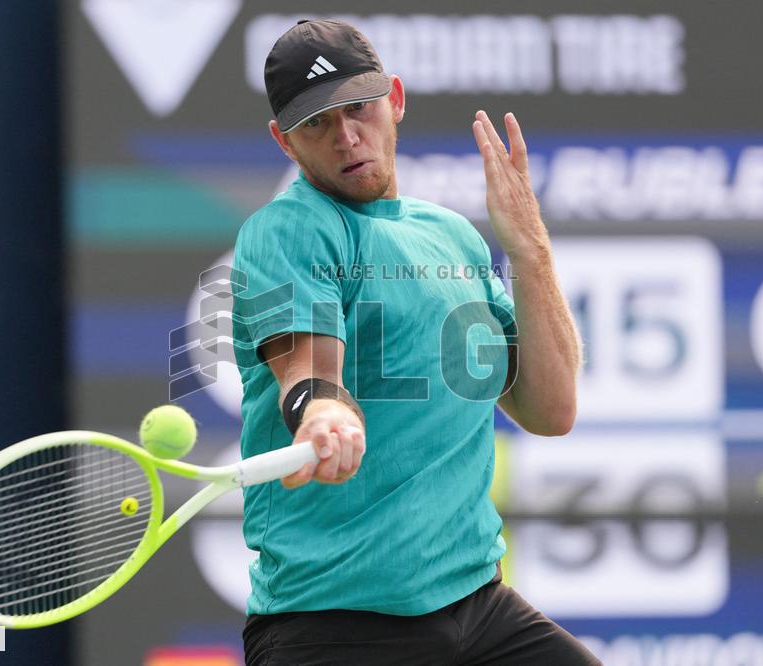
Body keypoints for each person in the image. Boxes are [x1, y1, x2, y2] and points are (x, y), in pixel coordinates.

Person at [231, 18, 599, 666]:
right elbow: (307, 369)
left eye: (358, 108)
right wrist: (322, 411)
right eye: (317, 123)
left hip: (478, 607)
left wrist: (530, 250)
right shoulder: (286, 232)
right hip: (332, 626)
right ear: (284, 141)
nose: (346, 136)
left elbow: (550, 409)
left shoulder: (452, 236)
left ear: (394, 99)